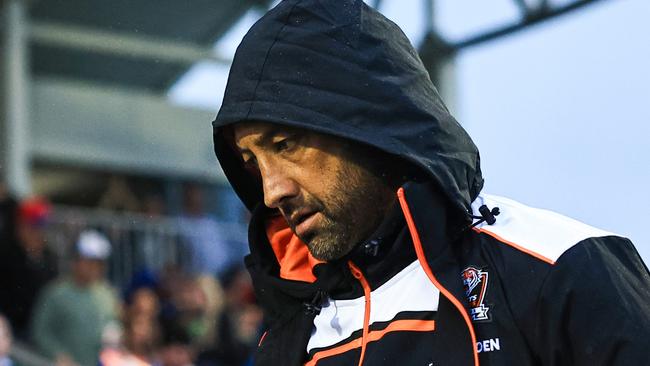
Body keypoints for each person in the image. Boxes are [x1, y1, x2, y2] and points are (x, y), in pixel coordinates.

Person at [211, 0, 650, 365]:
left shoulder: (562, 266)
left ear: (366, 123)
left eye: (286, 145)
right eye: (252, 163)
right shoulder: (286, 342)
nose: (272, 191)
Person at [31, 230, 120, 366]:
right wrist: (57, 355)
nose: (94, 268)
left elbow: (114, 325)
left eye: (98, 263)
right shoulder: (55, 293)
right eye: (89, 262)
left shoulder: (107, 294)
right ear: (76, 261)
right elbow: (40, 331)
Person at [0, 197, 57, 338]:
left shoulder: (49, 256)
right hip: (10, 328)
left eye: (41, 227)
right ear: (20, 225)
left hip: (38, 327)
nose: (38, 232)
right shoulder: (6, 253)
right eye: (33, 227)